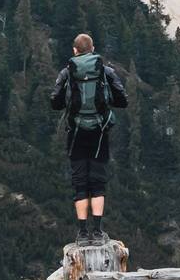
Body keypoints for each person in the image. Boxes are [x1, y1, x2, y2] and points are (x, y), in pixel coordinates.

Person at [50, 31, 128, 240]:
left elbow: (55, 102)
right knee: (98, 182)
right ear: (92, 49)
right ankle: (98, 230)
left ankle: (83, 232)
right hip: (99, 133)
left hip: (75, 133)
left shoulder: (66, 73)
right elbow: (123, 100)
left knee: (80, 183)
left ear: (74, 50)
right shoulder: (105, 71)